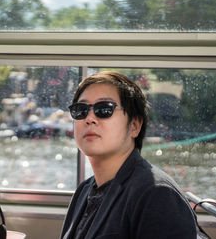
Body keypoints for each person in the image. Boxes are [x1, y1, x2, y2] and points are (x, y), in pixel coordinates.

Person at [60, 71, 198, 239]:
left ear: (134, 126)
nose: (89, 118)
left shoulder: (157, 195)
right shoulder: (84, 191)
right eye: (80, 110)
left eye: (104, 109)